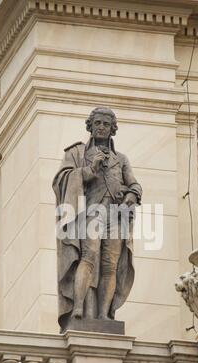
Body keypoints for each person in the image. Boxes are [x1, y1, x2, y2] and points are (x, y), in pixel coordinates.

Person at [52, 107, 142, 330]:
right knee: (88, 256)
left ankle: (104, 314)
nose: (101, 127)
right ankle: (79, 307)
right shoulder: (77, 153)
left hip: (115, 215)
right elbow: (62, 179)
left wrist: (132, 194)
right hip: (91, 213)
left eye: (106, 124)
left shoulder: (120, 159)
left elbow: (135, 184)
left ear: (113, 130)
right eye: (98, 123)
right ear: (90, 126)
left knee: (110, 265)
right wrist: (90, 170)